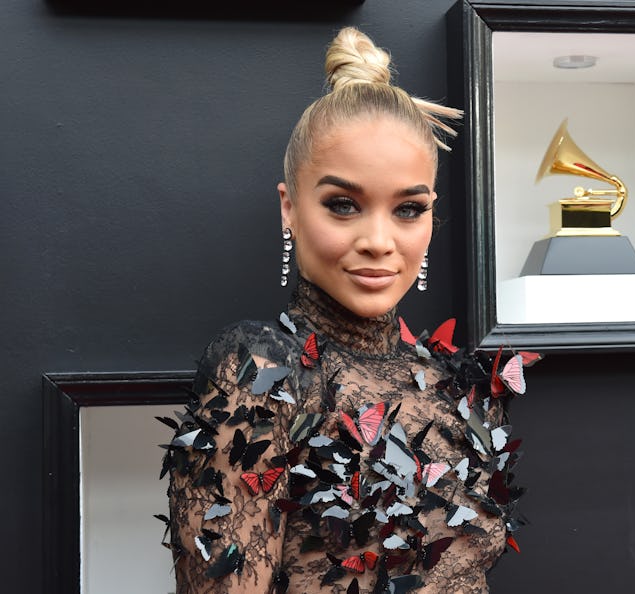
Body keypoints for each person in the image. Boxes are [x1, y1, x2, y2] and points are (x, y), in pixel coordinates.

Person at [161, 26, 530, 594]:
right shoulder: (261, 372)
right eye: (343, 205)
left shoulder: (460, 386)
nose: (379, 240)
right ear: (290, 208)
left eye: (408, 209)